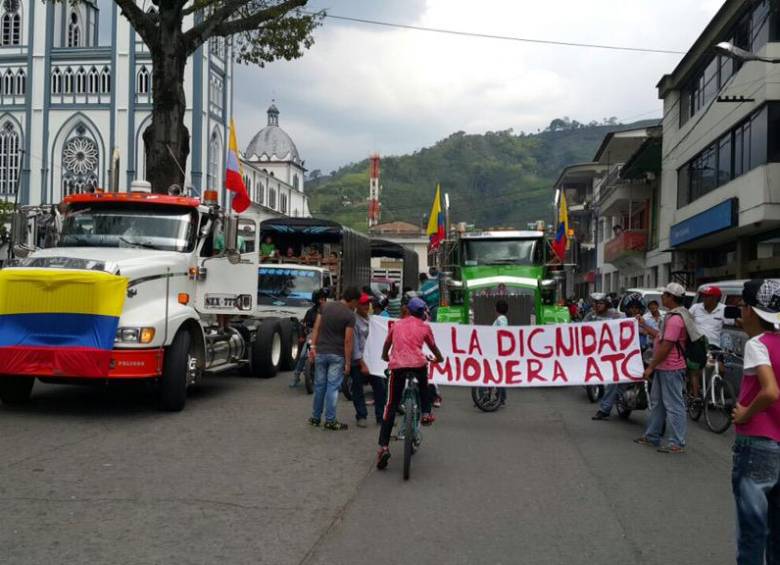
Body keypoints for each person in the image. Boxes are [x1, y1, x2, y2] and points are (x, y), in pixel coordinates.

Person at [731, 279, 780, 564]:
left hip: (758, 443)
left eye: (741, 305)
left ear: (750, 310)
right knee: (777, 530)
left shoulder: (757, 344)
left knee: (752, 528)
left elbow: (771, 391)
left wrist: (745, 413)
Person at [376, 297, 444, 470]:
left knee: (391, 405)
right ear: (422, 313)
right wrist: (439, 358)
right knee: (424, 386)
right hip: (418, 364)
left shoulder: (396, 325)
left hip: (398, 366)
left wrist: (385, 356)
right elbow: (433, 347)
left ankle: (383, 447)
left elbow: (387, 344)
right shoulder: (425, 327)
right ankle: (426, 412)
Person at [635, 282, 701, 453]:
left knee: (674, 405)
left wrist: (651, 367)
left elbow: (666, 346)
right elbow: (660, 336)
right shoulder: (673, 316)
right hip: (664, 368)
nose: (662, 298)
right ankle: (652, 436)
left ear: (671, 297)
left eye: (664, 295)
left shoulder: (675, 319)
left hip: (671, 368)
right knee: (657, 403)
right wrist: (644, 325)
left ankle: (677, 443)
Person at [308, 286, 360, 430]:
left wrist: (313, 347)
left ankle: (315, 418)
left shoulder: (325, 307)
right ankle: (330, 420)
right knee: (332, 387)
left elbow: (316, 328)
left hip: (321, 352)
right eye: (356, 302)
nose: (356, 306)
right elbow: (348, 341)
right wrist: (348, 363)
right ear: (353, 300)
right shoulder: (350, 315)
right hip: (337, 355)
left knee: (319, 386)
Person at [592, 294, 639, 421]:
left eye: (637, 308)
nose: (634, 310)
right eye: (631, 307)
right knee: (615, 381)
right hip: (621, 355)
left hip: (642, 358)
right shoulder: (618, 318)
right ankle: (605, 409)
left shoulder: (645, 321)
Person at [689, 286, 734, 399]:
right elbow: (686, 321)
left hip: (714, 346)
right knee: (696, 371)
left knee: (721, 369)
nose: (704, 298)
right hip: (698, 344)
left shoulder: (723, 309)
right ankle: (696, 397)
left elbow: (735, 322)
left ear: (716, 299)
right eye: (704, 296)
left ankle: (715, 390)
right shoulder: (695, 308)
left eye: (708, 296)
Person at [351, 293, 387, 427]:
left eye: (368, 303)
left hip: (373, 361)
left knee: (380, 388)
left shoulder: (373, 319)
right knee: (357, 389)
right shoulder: (353, 321)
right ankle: (361, 416)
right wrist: (362, 364)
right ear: (357, 305)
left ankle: (381, 416)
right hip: (358, 362)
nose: (367, 306)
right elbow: (354, 346)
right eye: (364, 304)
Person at [290, 289, 327, 388]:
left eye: (324, 298)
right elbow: (304, 325)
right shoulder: (310, 312)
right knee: (303, 356)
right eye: (321, 299)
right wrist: (302, 336)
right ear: (317, 299)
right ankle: (296, 377)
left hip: (325, 336)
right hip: (311, 336)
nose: (323, 301)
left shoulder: (328, 311)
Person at [493, 299, 510, 406]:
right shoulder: (502, 319)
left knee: (498, 373)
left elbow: (503, 332)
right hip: (499, 351)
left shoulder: (501, 319)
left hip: (498, 351)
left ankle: (501, 396)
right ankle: (501, 397)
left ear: (496, 309)